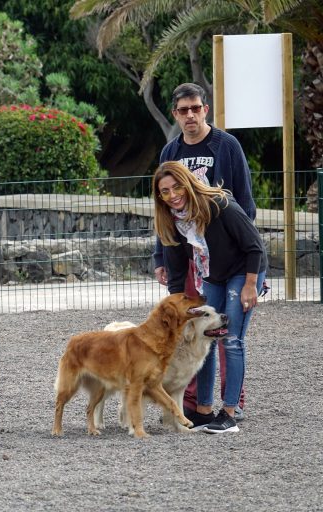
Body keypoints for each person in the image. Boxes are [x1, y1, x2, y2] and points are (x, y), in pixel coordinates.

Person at [154, 82, 256, 420]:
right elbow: (164, 211)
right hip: (189, 254)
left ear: (205, 110)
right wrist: (162, 258)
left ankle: (233, 402)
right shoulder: (170, 152)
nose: (190, 115)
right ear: (176, 115)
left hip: (226, 253)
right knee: (196, 328)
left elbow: (245, 203)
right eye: (183, 111)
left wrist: (237, 250)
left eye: (196, 108)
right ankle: (196, 403)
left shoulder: (226, 146)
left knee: (226, 328)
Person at [153, 161, 267, 433]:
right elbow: (178, 274)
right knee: (205, 336)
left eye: (176, 186)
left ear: (187, 183)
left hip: (244, 272)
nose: (172, 195)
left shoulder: (219, 204)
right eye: (165, 191)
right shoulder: (172, 220)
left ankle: (229, 414)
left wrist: (251, 285)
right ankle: (203, 409)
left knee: (231, 338)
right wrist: (180, 312)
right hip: (214, 276)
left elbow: (255, 247)